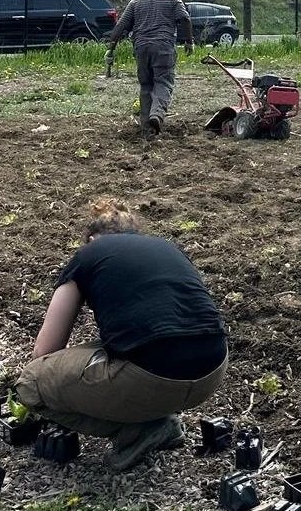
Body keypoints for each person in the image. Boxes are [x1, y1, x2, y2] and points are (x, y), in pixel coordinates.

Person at [14, 198, 229, 471]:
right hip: (212, 370)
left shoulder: (89, 255)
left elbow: (44, 351)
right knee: (131, 350)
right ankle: (156, 418)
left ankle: (139, 431)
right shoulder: (166, 247)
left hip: (153, 378)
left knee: (31, 383)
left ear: (92, 239)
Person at [106, 0, 193, 136]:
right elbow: (185, 19)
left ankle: (146, 127)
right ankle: (157, 115)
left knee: (146, 85)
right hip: (163, 46)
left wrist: (111, 49)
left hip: (141, 48)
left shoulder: (135, 2)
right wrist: (189, 42)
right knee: (163, 82)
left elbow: (120, 26)